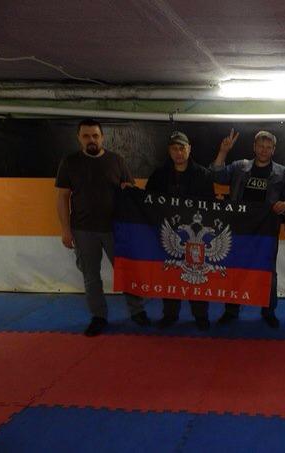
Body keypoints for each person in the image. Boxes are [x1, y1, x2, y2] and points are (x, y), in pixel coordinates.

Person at [55, 118, 149, 337]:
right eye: (86, 136)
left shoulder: (116, 161)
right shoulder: (69, 162)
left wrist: (128, 188)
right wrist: (65, 229)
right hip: (83, 229)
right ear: (79, 138)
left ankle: (137, 311)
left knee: (127, 271)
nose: (91, 140)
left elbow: (130, 190)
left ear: (102, 137)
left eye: (95, 135)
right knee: (90, 275)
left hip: (116, 228)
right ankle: (98, 316)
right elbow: (62, 197)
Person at [211, 129, 285, 328]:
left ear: (273, 150)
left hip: (266, 231)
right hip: (238, 229)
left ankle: (268, 311)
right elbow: (216, 175)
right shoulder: (239, 167)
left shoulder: (282, 173)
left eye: (268, 147)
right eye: (261, 146)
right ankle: (231, 310)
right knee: (235, 269)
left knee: (268, 271)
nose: (264, 150)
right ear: (254, 147)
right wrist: (223, 152)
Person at [145, 131, 214, 331]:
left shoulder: (203, 175)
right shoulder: (158, 175)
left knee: (196, 274)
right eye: (174, 148)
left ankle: (201, 315)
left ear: (189, 149)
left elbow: (210, 206)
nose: (179, 152)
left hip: (195, 237)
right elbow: (147, 201)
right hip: (168, 234)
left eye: (182, 148)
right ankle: (170, 314)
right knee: (171, 274)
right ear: (169, 151)